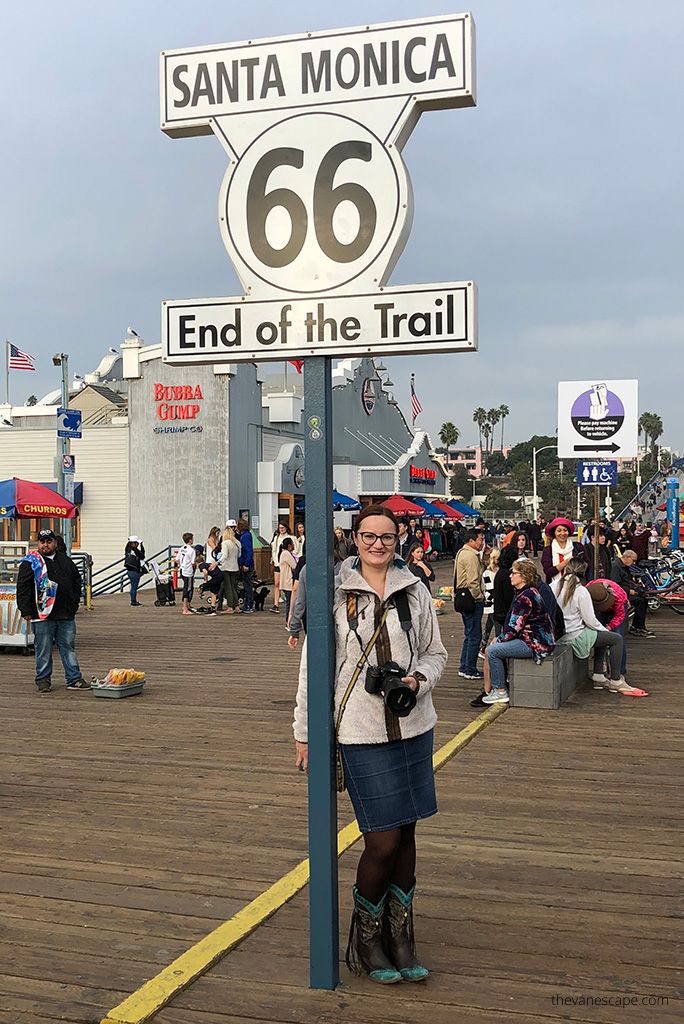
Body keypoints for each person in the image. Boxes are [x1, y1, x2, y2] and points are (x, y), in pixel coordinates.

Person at [293, 505, 447, 984]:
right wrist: (303, 730)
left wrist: (418, 680)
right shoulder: (334, 593)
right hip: (361, 732)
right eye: (368, 535)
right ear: (353, 538)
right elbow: (311, 669)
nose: (378, 544)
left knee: (408, 834)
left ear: (399, 538)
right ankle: (365, 939)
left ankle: (401, 939)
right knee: (381, 839)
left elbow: (435, 653)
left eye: (386, 536)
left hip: (414, 726)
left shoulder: (415, 590)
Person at [16, 529, 89, 692]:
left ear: (55, 543)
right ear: (38, 544)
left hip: (65, 613)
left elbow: (77, 581)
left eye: (49, 541)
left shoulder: (65, 560)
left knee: (68, 647)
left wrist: (74, 603)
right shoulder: (30, 562)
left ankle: (74, 678)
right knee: (43, 649)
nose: (46, 544)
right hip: (40, 615)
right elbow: (22, 587)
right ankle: (43, 680)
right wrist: (25, 609)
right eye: (42, 541)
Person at [549, 559, 638, 692]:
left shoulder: (553, 585)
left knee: (600, 635)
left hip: (558, 633)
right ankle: (616, 680)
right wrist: (605, 631)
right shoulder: (581, 591)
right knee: (615, 639)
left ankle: (599, 676)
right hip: (574, 635)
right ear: (583, 572)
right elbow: (590, 620)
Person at [483, 558, 555, 704]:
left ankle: (500, 690)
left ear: (523, 576)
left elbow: (514, 626)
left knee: (493, 650)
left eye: (514, 573)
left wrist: (499, 639)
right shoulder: (530, 592)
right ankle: (499, 687)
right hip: (539, 639)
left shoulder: (525, 597)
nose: (510, 576)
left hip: (534, 643)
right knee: (498, 647)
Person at [454, 528, 485, 681]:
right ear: (471, 541)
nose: (482, 543)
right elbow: (473, 581)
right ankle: (470, 669)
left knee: (469, 634)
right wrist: (479, 597)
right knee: (475, 636)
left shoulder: (462, 552)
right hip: (471, 599)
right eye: (480, 539)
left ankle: (464, 666)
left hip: (462, 597)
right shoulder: (471, 556)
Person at [610, 550, 655, 638]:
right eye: (633, 560)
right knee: (640, 601)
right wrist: (629, 591)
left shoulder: (624, 567)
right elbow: (615, 584)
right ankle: (637, 627)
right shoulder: (616, 567)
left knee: (643, 599)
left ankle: (638, 625)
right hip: (619, 594)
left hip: (624, 591)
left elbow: (626, 581)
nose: (634, 563)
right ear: (626, 558)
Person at [540, 518, 590, 583]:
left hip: (576, 586)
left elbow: (588, 565)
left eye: (565, 530)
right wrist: (565, 563)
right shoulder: (548, 550)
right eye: (559, 531)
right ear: (554, 533)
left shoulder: (578, 547)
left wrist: (578, 565)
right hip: (554, 588)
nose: (562, 533)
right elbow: (548, 572)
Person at [216, 524, 241, 614]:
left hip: (226, 567)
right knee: (234, 587)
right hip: (235, 567)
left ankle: (230, 607)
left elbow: (224, 556)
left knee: (228, 588)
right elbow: (239, 555)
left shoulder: (225, 543)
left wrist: (217, 562)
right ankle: (236, 606)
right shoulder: (237, 543)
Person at [270, 522, 294, 613]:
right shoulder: (276, 538)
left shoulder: (291, 538)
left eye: (283, 528)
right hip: (278, 563)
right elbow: (274, 551)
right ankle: (276, 604)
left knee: (287, 583)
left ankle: (288, 598)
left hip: (287, 564)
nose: (281, 529)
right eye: (280, 528)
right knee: (276, 583)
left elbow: (295, 549)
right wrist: (276, 561)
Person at [174, 533, 197, 615]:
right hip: (188, 571)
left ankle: (186, 606)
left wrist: (182, 564)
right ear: (190, 540)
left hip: (182, 570)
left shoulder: (182, 548)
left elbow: (177, 559)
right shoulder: (192, 550)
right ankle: (185, 608)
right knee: (188, 589)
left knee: (186, 587)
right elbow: (193, 563)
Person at [237, 518, 255, 613]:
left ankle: (249, 604)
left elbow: (249, 552)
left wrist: (245, 564)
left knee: (247, 585)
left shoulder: (244, 537)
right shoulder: (247, 535)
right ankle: (248, 603)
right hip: (246, 562)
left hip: (247, 563)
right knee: (247, 584)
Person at [278, 537, 297, 622]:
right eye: (292, 543)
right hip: (288, 582)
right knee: (290, 603)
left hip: (286, 581)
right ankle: (288, 622)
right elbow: (294, 566)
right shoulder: (286, 554)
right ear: (289, 545)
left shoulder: (286, 553)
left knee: (290, 602)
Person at [124, 536, 146, 607]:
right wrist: (142, 547)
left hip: (129, 571)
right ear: (134, 543)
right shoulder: (135, 550)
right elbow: (142, 556)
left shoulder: (128, 549)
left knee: (133, 586)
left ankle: (133, 600)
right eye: (137, 543)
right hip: (135, 571)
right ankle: (133, 602)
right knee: (134, 587)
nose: (138, 544)